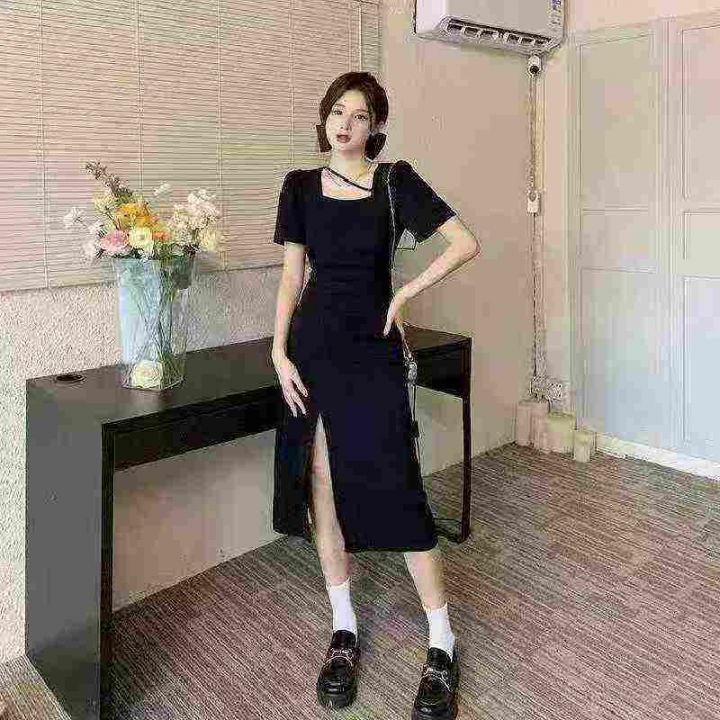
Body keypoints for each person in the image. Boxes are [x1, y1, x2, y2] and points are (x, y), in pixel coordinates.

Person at [271, 71, 480, 719]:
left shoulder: (394, 182)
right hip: (311, 350)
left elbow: (465, 242)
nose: (345, 124)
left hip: (373, 351)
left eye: (359, 115)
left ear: (375, 127)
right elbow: (292, 276)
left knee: (397, 482)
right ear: (324, 118)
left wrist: (405, 294)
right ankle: (344, 627)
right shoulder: (299, 186)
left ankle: (442, 640)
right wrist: (278, 351)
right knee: (322, 483)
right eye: (337, 111)